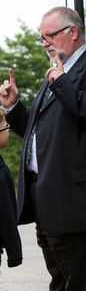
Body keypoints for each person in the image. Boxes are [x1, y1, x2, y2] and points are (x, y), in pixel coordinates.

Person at [0, 6, 86, 290]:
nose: (44, 44)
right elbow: (40, 130)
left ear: (73, 32)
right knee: (62, 284)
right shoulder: (56, 74)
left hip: (78, 208)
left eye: (49, 37)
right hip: (50, 206)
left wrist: (63, 83)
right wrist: (13, 107)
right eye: (41, 39)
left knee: (84, 284)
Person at [0, 106, 22, 277]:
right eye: (6, 126)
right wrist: (15, 254)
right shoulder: (1, 171)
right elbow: (5, 215)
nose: (8, 130)